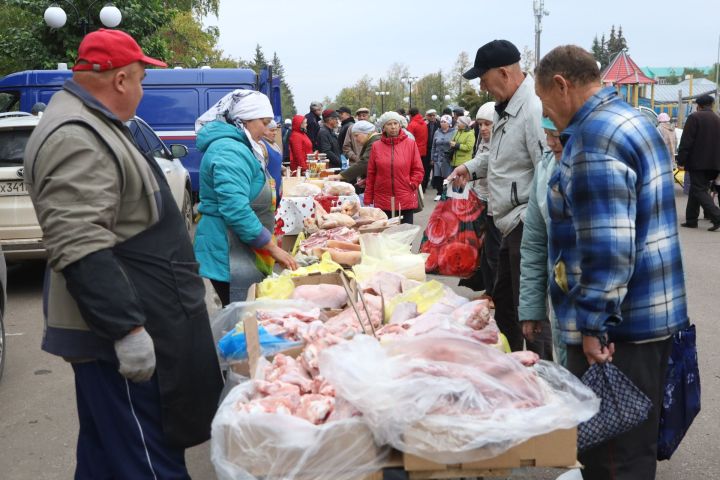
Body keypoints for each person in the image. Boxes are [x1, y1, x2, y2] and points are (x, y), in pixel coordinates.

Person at [23, 29, 223, 478]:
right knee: (147, 464)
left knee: (105, 460)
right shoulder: (76, 133)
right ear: (120, 80)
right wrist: (127, 331)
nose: (141, 90)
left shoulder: (92, 124)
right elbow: (80, 242)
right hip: (127, 335)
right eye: (140, 80)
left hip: (141, 321)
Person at [535, 44, 689, 479]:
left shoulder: (593, 138)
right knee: (632, 447)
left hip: (619, 330)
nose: (548, 115)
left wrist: (593, 326)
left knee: (612, 458)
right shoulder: (633, 119)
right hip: (651, 316)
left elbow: (608, 248)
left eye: (547, 103)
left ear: (562, 85)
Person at [450, 39, 546, 354]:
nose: (481, 85)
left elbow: (545, 169)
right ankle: (512, 362)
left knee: (528, 311)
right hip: (507, 222)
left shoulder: (532, 108)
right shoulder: (506, 108)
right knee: (504, 301)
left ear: (504, 72)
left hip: (525, 222)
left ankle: (540, 374)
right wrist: (471, 167)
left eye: (483, 77)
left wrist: (535, 221)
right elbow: (498, 159)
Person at [194, 89, 298, 306]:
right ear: (244, 120)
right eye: (264, 122)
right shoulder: (229, 150)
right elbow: (235, 208)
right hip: (228, 250)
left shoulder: (239, 146)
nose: (268, 128)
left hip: (240, 246)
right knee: (240, 318)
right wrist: (271, 247)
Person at [518, 117, 563, 364]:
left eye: (555, 135)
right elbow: (535, 242)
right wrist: (532, 307)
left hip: (607, 323)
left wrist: (595, 325)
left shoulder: (598, 159)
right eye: (547, 134)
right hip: (563, 311)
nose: (550, 142)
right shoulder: (546, 163)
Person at [458, 102, 500, 298]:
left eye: (488, 124)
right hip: (480, 202)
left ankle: (496, 294)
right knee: (484, 252)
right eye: (480, 124)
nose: (483, 128)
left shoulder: (501, 144)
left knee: (494, 253)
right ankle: (489, 290)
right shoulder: (481, 141)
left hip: (497, 205)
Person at [365, 111, 424, 224]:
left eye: (395, 123)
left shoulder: (410, 144)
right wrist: (368, 198)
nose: (393, 127)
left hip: (405, 197)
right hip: (382, 198)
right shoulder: (376, 146)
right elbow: (371, 173)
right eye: (389, 124)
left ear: (400, 125)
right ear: (383, 127)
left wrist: (412, 184)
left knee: (405, 236)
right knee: (386, 236)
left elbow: (418, 169)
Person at [677, 94, 720, 230]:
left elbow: (686, 141)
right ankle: (691, 219)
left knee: (699, 189)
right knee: (696, 188)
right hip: (714, 162)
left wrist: (681, 159)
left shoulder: (694, 117)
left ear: (698, 106)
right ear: (711, 105)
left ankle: (717, 216)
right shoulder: (717, 119)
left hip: (698, 162)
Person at [327, 120, 380, 192]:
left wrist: (340, 176)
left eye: (356, 135)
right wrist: (366, 180)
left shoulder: (374, 141)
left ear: (366, 133)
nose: (355, 139)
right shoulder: (373, 141)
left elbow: (365, 163)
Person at [429, 114, 456, 199]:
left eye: (444, 122)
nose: (442, 123)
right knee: (437, 176)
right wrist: (432, 158)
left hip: (447, 158)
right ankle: (439, 193)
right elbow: (433, 146)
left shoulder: (454, 132)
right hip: (438, 158)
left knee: (446, 176)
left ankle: (446, 193)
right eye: (441, 121)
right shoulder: (437, 132)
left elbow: (454, 145)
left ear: (449, 123)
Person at [407, 107, 429, 190]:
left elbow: (408, 139)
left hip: (415, 151)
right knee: (421, 170)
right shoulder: (423, 123)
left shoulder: (412, 124)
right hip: (423, 150)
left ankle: (417, 188)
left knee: (414, 171)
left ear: (410, 115)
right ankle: (423, 187)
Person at [262, 120, 283, 205]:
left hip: (278, 185)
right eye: (271, 130)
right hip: (270, 188)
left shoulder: (274, 144)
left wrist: (283, 168)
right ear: (264, 130)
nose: (275, 133)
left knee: (277, 210)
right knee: (271, 211)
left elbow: (275, 163)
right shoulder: (262, 145)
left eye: (275, 130)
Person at [425, 109, 441, 181]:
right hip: (427, 149)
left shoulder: (440, 124)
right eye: (430, 115)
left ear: (436, 116)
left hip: (437, 148)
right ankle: (425, 183)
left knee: (436, 167)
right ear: (427, 116)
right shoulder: (425, 124)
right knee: (427, 167)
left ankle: (435, 183)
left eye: (433, 115)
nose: (432, 117)